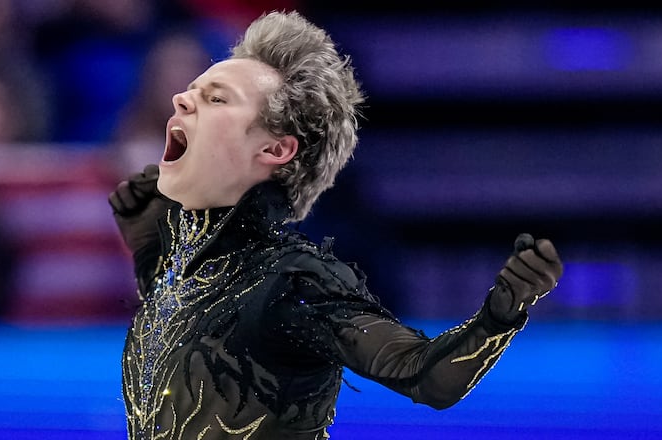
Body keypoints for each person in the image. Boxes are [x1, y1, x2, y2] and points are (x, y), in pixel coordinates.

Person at [108, 10, 563, 439]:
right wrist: (149, 242)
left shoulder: (292, 282)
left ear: (274, 150)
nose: (180, 98)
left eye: (217, 98)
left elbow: (424, 374)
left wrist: (498, 318)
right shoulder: (189, 266)